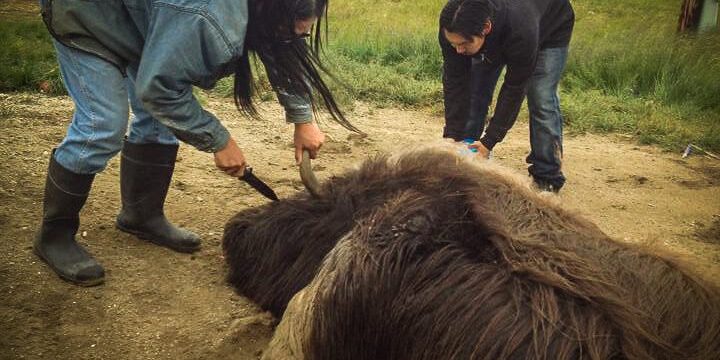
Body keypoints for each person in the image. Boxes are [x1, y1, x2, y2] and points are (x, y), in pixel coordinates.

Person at [35, 0, 357, 286]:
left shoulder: (265, 12)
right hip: (87, 16)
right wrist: (219, 140)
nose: (297, 38)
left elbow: (281, 48)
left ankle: (140, 215)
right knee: (102, 125)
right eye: (292, 31)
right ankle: (55, 235)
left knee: (157, 119)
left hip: (141, 22)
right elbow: (160, 90)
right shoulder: (207, 17)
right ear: (270, 12)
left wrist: (303, 119)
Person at [439, 0, 574, 193]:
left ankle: (547, 177)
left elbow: (514, 88)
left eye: (463, 44)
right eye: (453, 44)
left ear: (486, 28)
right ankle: (465, 163)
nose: (458, 50)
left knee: (541, 98)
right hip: (498, 31)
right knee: (475, 92)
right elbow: (456, 82)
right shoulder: (453, 23)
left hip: (549, 28)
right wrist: (451, 137)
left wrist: (489, 141)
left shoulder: (521, 29)